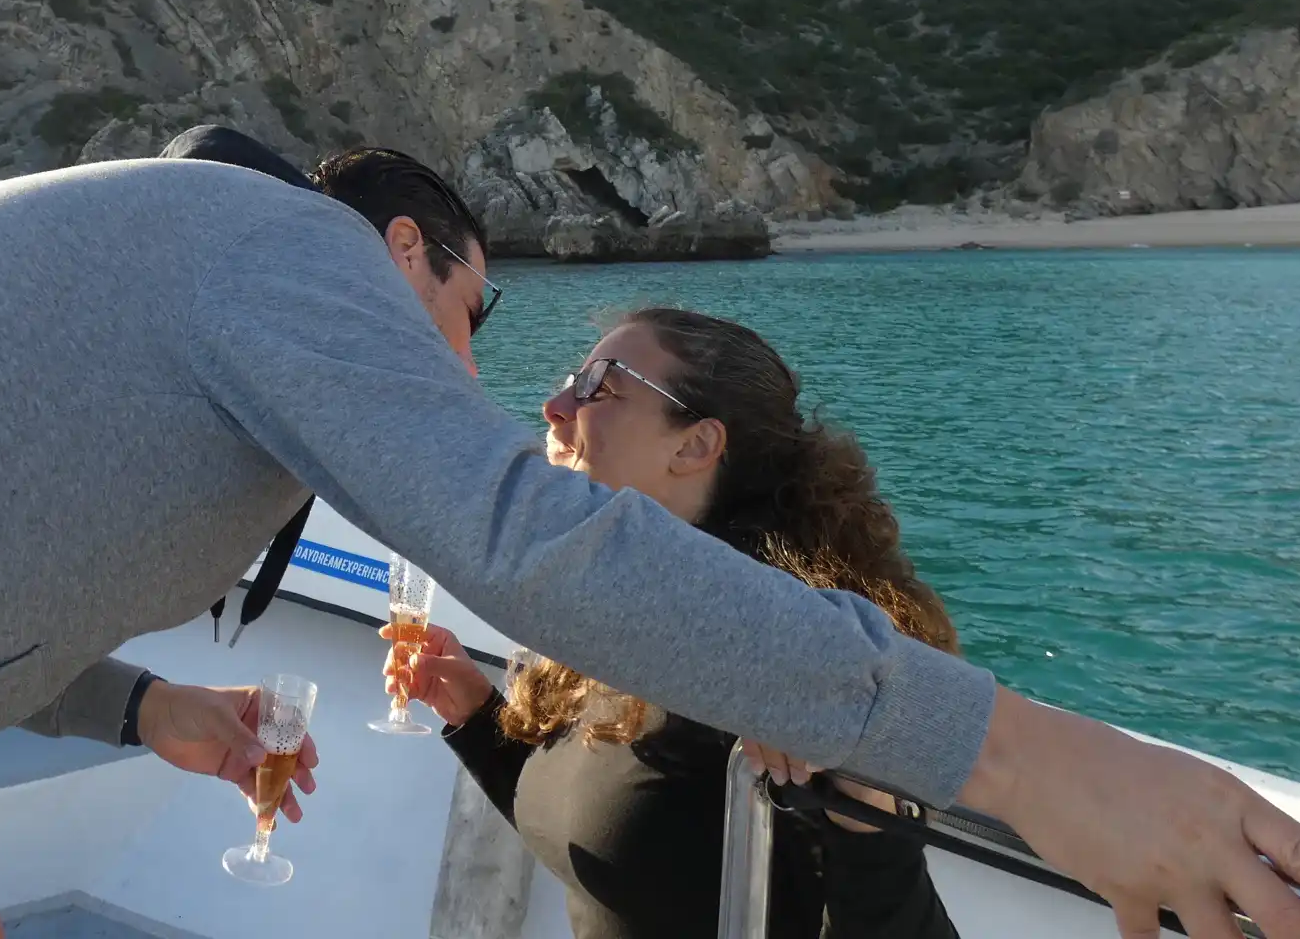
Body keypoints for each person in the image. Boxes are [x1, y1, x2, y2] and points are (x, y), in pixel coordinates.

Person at [0, 135, 1300, 939]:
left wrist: (158, 722)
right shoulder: (283, 252)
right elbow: (528, 539)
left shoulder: (192, 338)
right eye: (475, 334)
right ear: (402, 257)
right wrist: (1025, 752)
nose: (483, 398)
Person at [386, 307, 960, 939]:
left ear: (695, 445)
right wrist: (474, 714)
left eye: (597, 385)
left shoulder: (785, 661)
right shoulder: (610, 622)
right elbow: (607, 833)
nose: (554, 406)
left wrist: (866, 810)